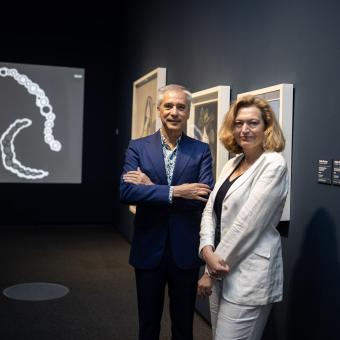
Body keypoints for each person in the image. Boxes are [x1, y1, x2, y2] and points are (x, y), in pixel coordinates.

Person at [120, 84, 214, 340]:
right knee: (148, 324)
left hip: (184, 251)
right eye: (169, 106)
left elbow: (203, 198)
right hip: (148, 248)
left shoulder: (200, 150)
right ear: (159, 109)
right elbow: (126, 192)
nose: (174, 112)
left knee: (183, 325)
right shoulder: (138, 147)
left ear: (188, 112)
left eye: (181, 107)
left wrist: (152, 189)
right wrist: (176, 192)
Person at [197, 95, 289, 340]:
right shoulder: (233, 162)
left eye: (252, 123)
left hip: (248, 274)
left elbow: (246, 225)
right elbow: (210, 209)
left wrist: (209, 270)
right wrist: (206, 249)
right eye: (238, 123)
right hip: (219, 265)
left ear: (266, 127)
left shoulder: (273, 164)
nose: (244, 129)